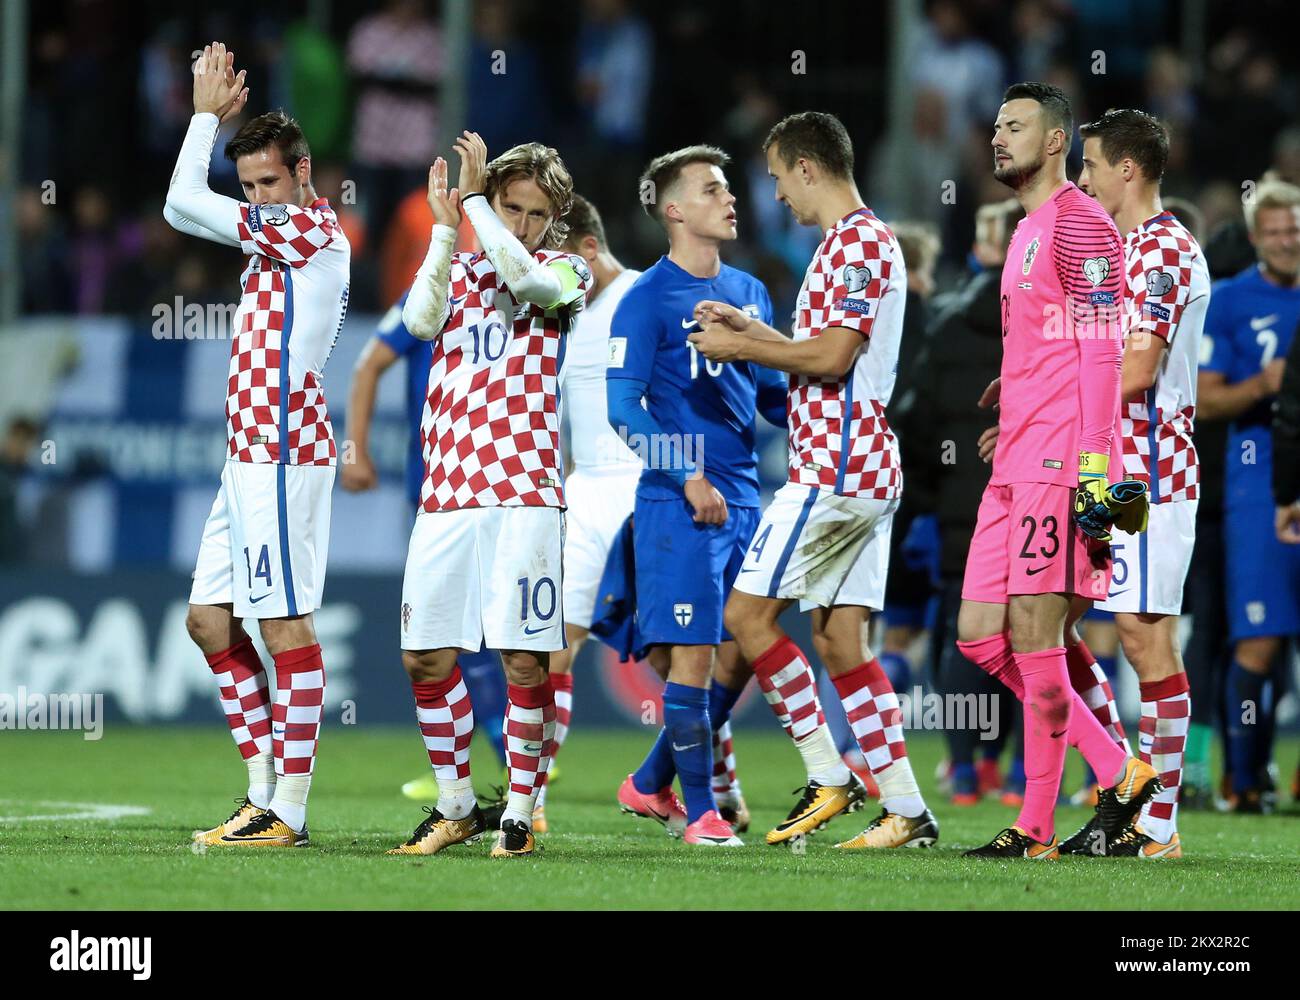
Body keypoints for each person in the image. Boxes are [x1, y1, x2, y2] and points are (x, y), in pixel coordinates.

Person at [691, 111, 936, 850]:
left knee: (747, 618)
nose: (773, 194)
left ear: (807, 167)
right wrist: (753, 331)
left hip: (834, 467)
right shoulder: (848, 246)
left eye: (774, 176)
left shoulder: (858, 244)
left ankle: (829, 775)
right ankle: (906, 809)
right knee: (840, 644)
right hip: (860, 466)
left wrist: (741, 347)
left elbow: (830, 361)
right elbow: (825, 352)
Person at [954, 82, 1161, 859]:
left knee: (1038, 640)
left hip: (1060, 463)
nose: (998, 136)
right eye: (996, 123)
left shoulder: (1081, 226)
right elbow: (1058, 338)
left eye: (1017, 125)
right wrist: (1016, 389)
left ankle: (1037, 822)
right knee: (982, 637)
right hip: (1015, 457)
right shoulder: (1027, 227)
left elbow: (1105, 356)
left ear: (1054, 142)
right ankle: (1116, 767)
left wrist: (1095, 476)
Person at [388, 134, 591, 859]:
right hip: (447, 492)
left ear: (556, 220)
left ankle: (520, 811)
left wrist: (477, 206)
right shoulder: (462, 266)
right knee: (423, 656)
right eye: (514, 207)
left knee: (523, 661)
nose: (525, 224)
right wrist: (447, 227)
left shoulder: (564, 271)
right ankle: (456, 804)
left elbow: (530, 283)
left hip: (524, 494)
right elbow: (416, 323)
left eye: (538, 214)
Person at [169, 45, 351, 848]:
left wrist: (206, 115)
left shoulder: (308, 229)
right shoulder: (271, 236)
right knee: (210, 621)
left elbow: (180, 196)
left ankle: (292, 811)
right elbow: (183, 211)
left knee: (287, 631)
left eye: (269, 182)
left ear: (304, 174)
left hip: (282, 450)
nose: (258, 200)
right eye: (246, 188)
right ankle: (260, 792)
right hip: (245, 454)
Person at [607, 145, 787, 847]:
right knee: (693, 659)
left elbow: (773, 396)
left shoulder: (750, 292)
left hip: (746, 496)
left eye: (730, 187)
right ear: (674, 210)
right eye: (712, 190)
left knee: (740, 652)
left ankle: (649, 781)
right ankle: (704, 813)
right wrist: (687, 474)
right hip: (680, 504)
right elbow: (624, 408)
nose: (731, 198)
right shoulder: (646, 300)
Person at [1056, 109, 1210, 858]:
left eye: (1087, 166)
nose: (1079, 179)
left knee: (1146, 642)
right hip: (1107, 465)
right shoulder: (1119, 251)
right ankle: (1127, 786)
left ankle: (1158, 823)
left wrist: (1051, 404)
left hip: (1150, 474)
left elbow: (1138, 369)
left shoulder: (1163, 250)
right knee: (1056, 624)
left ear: (1126, 170)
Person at [341, 280, 510, 803]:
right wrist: (354, 449)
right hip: (436, 486)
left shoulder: (525, 289)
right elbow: (368, 365)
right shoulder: (431, 293)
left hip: (504, 482)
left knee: (485, 631)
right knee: (449, 633)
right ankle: (486, 767)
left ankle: (512, 768)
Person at [901, 198, 1025, 807]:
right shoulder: (1047, 317)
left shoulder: (948, 323)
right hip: (1032, 497)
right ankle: (1019, 770)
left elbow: (915, 422)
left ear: (981, 252)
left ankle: (962, 767)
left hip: (960, 511)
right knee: (1033, 635)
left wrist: (931, 495)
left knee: (962, 638)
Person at [533, 194, 644, 833]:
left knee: (678, 655)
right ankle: (534, 795)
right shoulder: (561, 314)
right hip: (586, 492)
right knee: (557, 645)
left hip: (645, 488)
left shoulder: (645, 296)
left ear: (588, 251)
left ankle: (721, 794)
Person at [1198, 179, 1300, 813]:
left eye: (1295, 229)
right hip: (1258, 479)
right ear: (1256, 236)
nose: (1288, 240)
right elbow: (1207, 399)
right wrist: (1263, 385)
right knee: (1257, 638)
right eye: (1275, 231)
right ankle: (1243, 776)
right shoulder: (1230, 301)